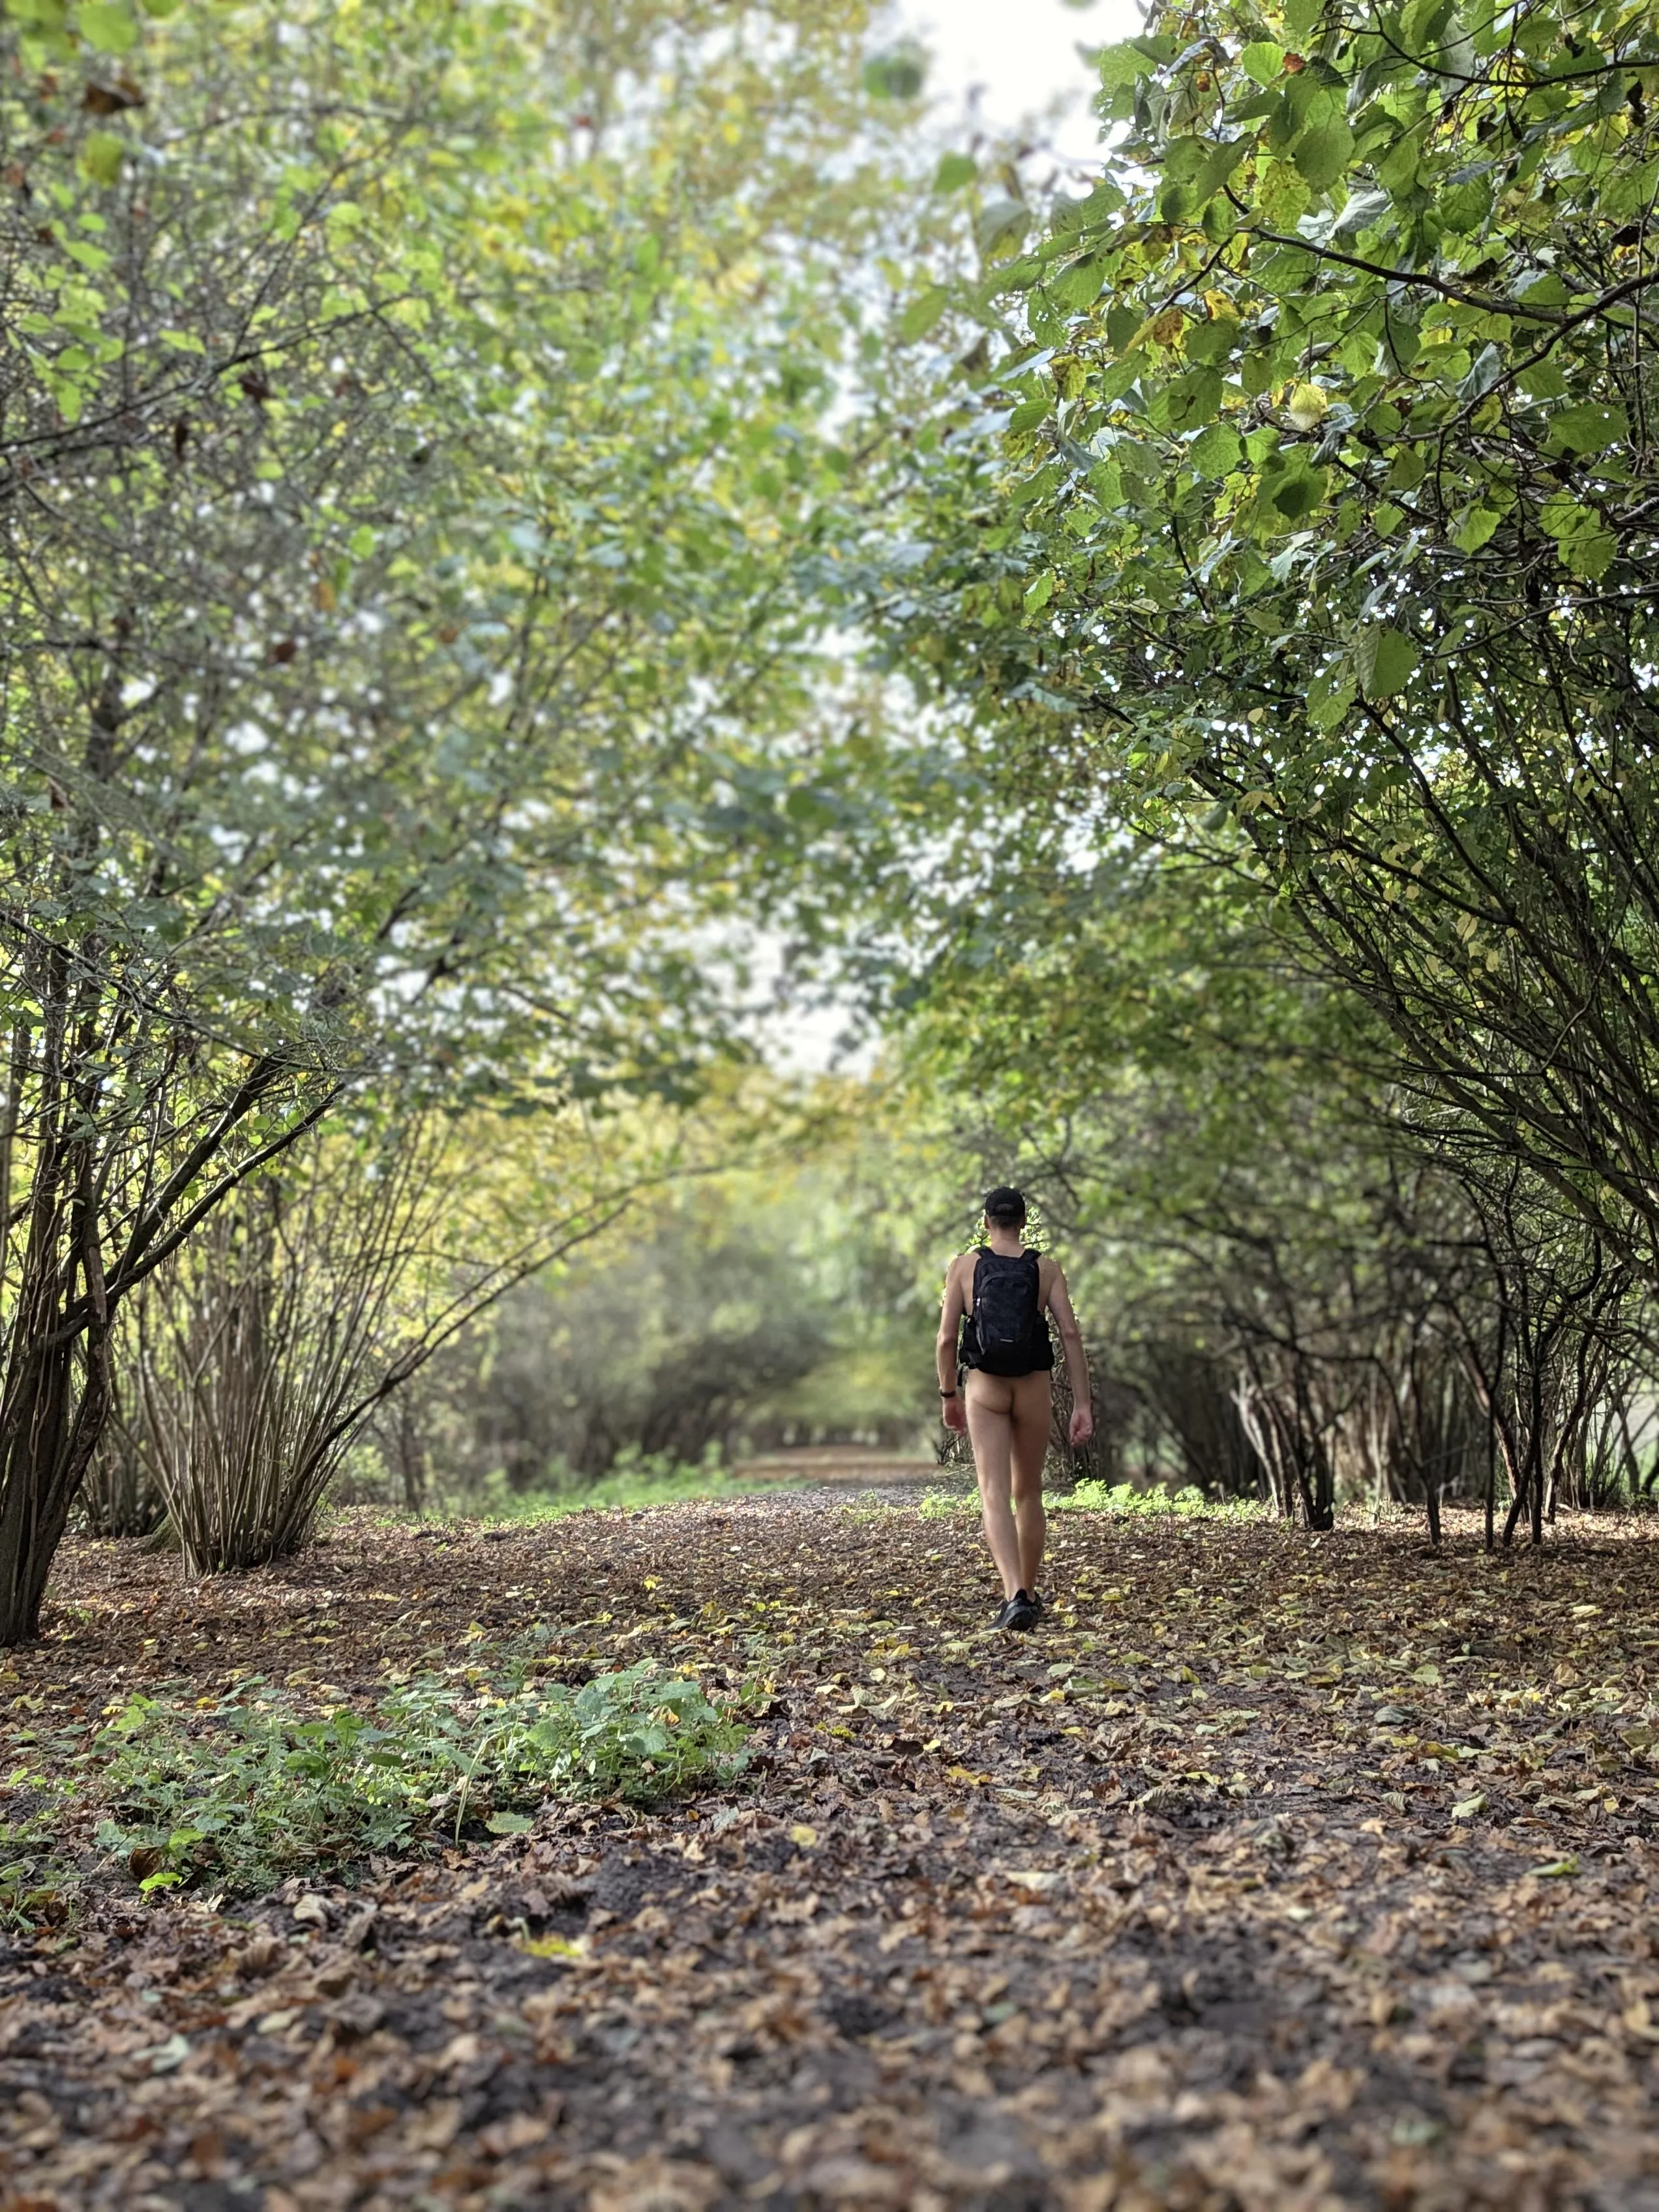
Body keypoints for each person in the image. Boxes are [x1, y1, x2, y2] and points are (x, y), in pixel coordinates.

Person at [936, 1186, 1093, 1632]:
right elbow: (1070, 1335)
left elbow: (947, 1339)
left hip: (984, 1387)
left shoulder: (965, 1267)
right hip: (1033, 1387)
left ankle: (1014, 1595)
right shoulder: (1046, 1269)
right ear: (1023, 1221)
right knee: (1028, 1493)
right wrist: (1081, 1403)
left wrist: (950, 1396)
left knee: (993, 1493)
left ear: (986, 1223)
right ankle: (1026, 1590)